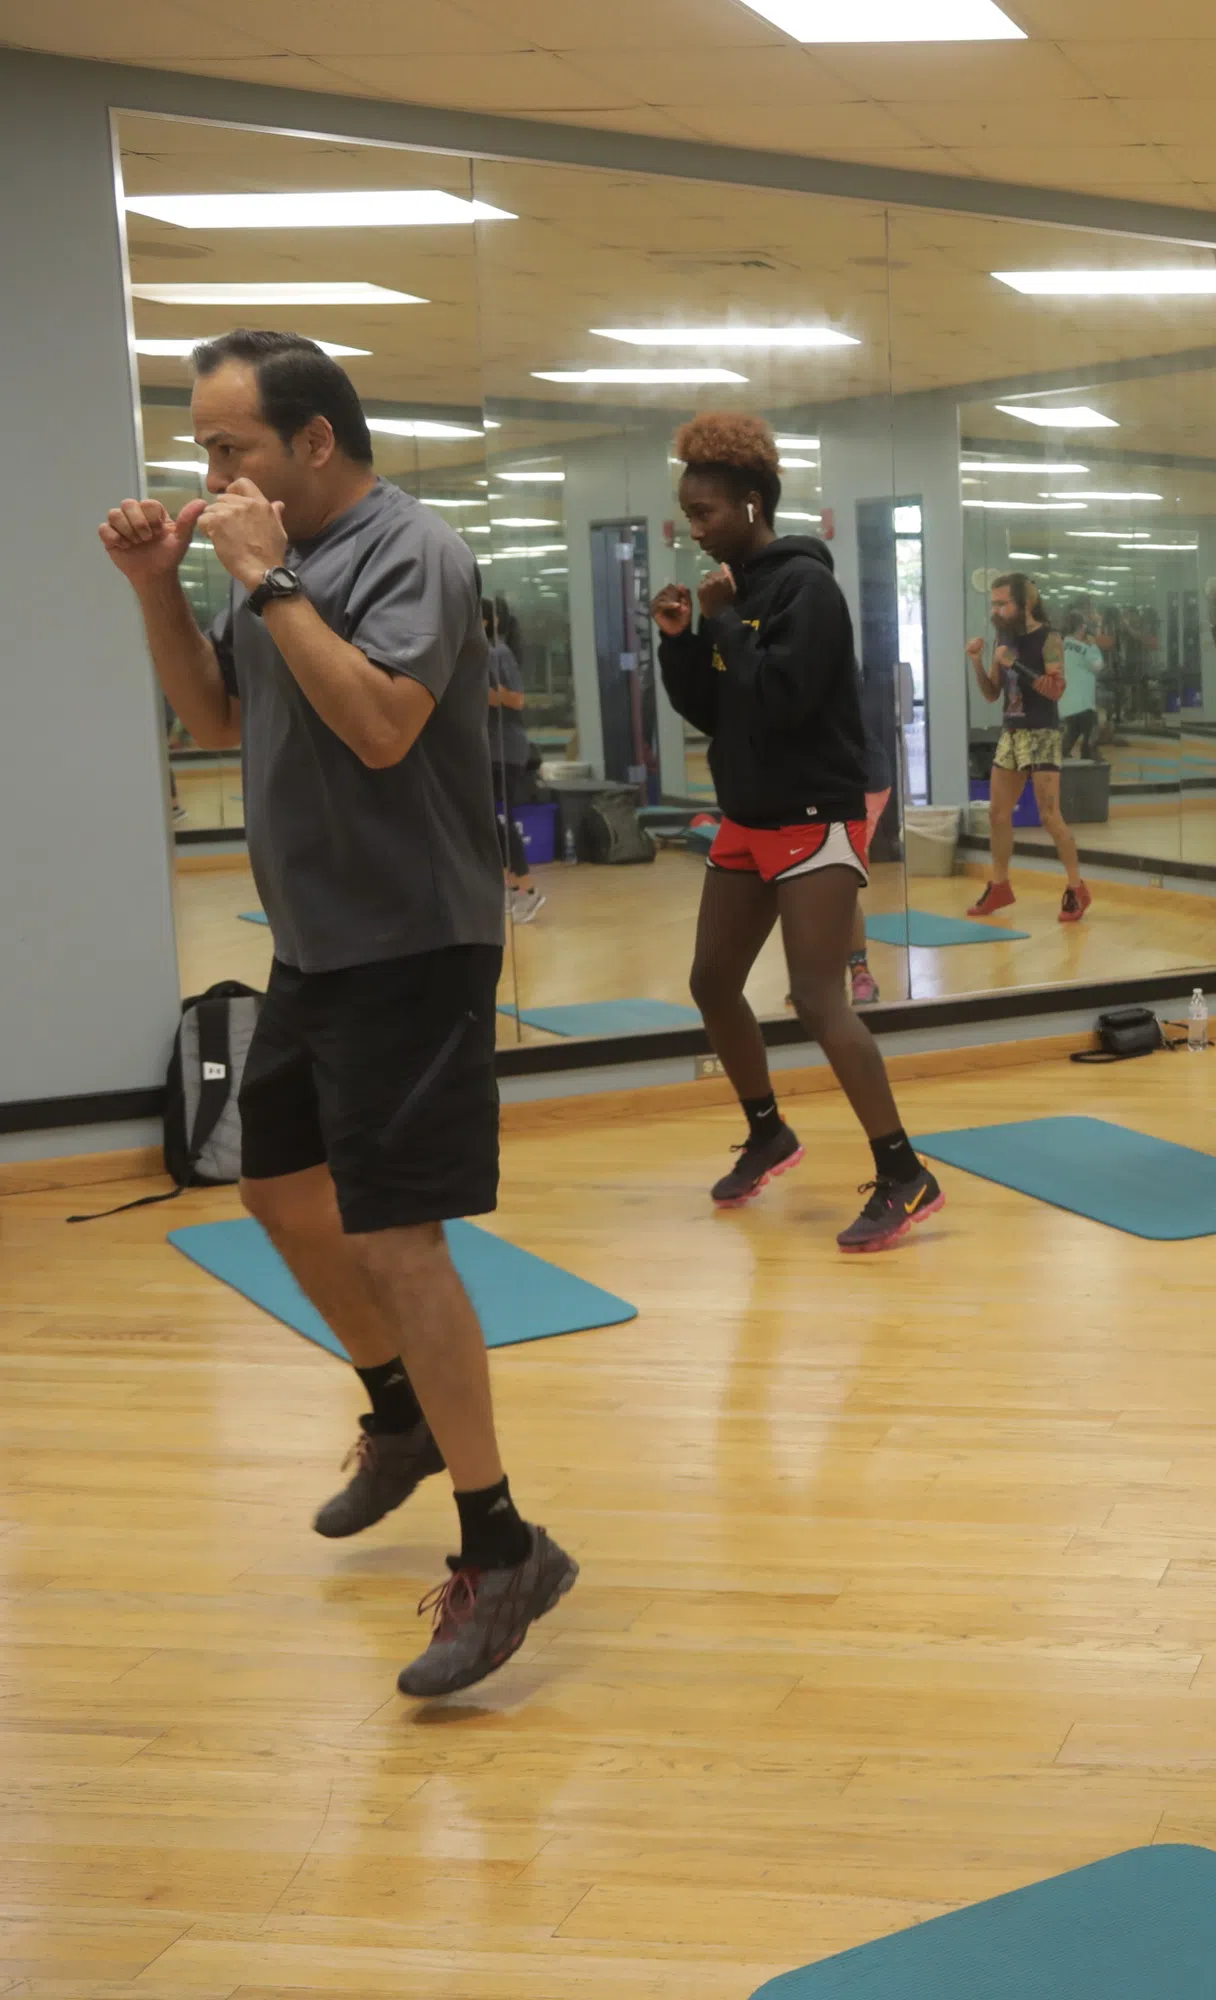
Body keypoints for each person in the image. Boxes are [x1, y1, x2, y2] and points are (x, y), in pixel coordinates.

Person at [98, 329, 578, 1696]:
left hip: (415, 941)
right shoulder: (276, 568)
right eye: (204, 448)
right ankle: (399, 1414)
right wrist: (158, 588)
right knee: (279, 1191)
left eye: (229, 445)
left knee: (403, 1237)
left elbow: (380, 727)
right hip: (314, 943)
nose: (211, 471)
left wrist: (261, 574)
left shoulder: (409, 553)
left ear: (314, 442)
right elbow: (212, 719)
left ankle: (501, 1554)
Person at [652, 411, 942, 1254]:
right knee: (712, 981)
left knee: (818, 996)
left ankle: (903, 1172)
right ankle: (768, 1131)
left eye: (705, 514)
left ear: (750, 504)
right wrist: (683, 642)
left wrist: (727, 626)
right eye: (689, 514)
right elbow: (712, 706)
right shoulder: (733, 592)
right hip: (748, 814)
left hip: (813, 814)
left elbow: (780, 698)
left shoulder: (807, 589)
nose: (695, 531)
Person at [964, 575, 1091, 925]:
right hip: (1012, 733)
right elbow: (992, 693)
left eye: (1003, 603)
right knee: (997, 814)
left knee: (1049, 816)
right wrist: (976, 660)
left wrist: (1014, 665)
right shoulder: (1003, 638)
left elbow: (1055, 691)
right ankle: (1000, 884)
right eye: (993, 603)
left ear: (1025, 604)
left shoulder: (1049, 638)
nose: (997, 609)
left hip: (1042, 732)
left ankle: (1076, 887)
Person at [482, 597, 542, 924]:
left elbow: (516, 700)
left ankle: (528, 889)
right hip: (488, 748)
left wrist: (477, 691)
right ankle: (511, 885)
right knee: (487, 819)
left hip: (506, 749)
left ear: (486, 622)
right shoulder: (477, 654)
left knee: (494, 818)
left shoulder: (498, 653)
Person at [1058, 606, 1104, 764]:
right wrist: (1094, 646)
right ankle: (1089, 759)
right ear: (1082, 628)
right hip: (1083, 703)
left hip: (1064, 702)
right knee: (1092, 731)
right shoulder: (1085, 649)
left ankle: (1059, 758)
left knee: (1073, 730)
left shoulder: (1059, 646)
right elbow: (1098, 665)